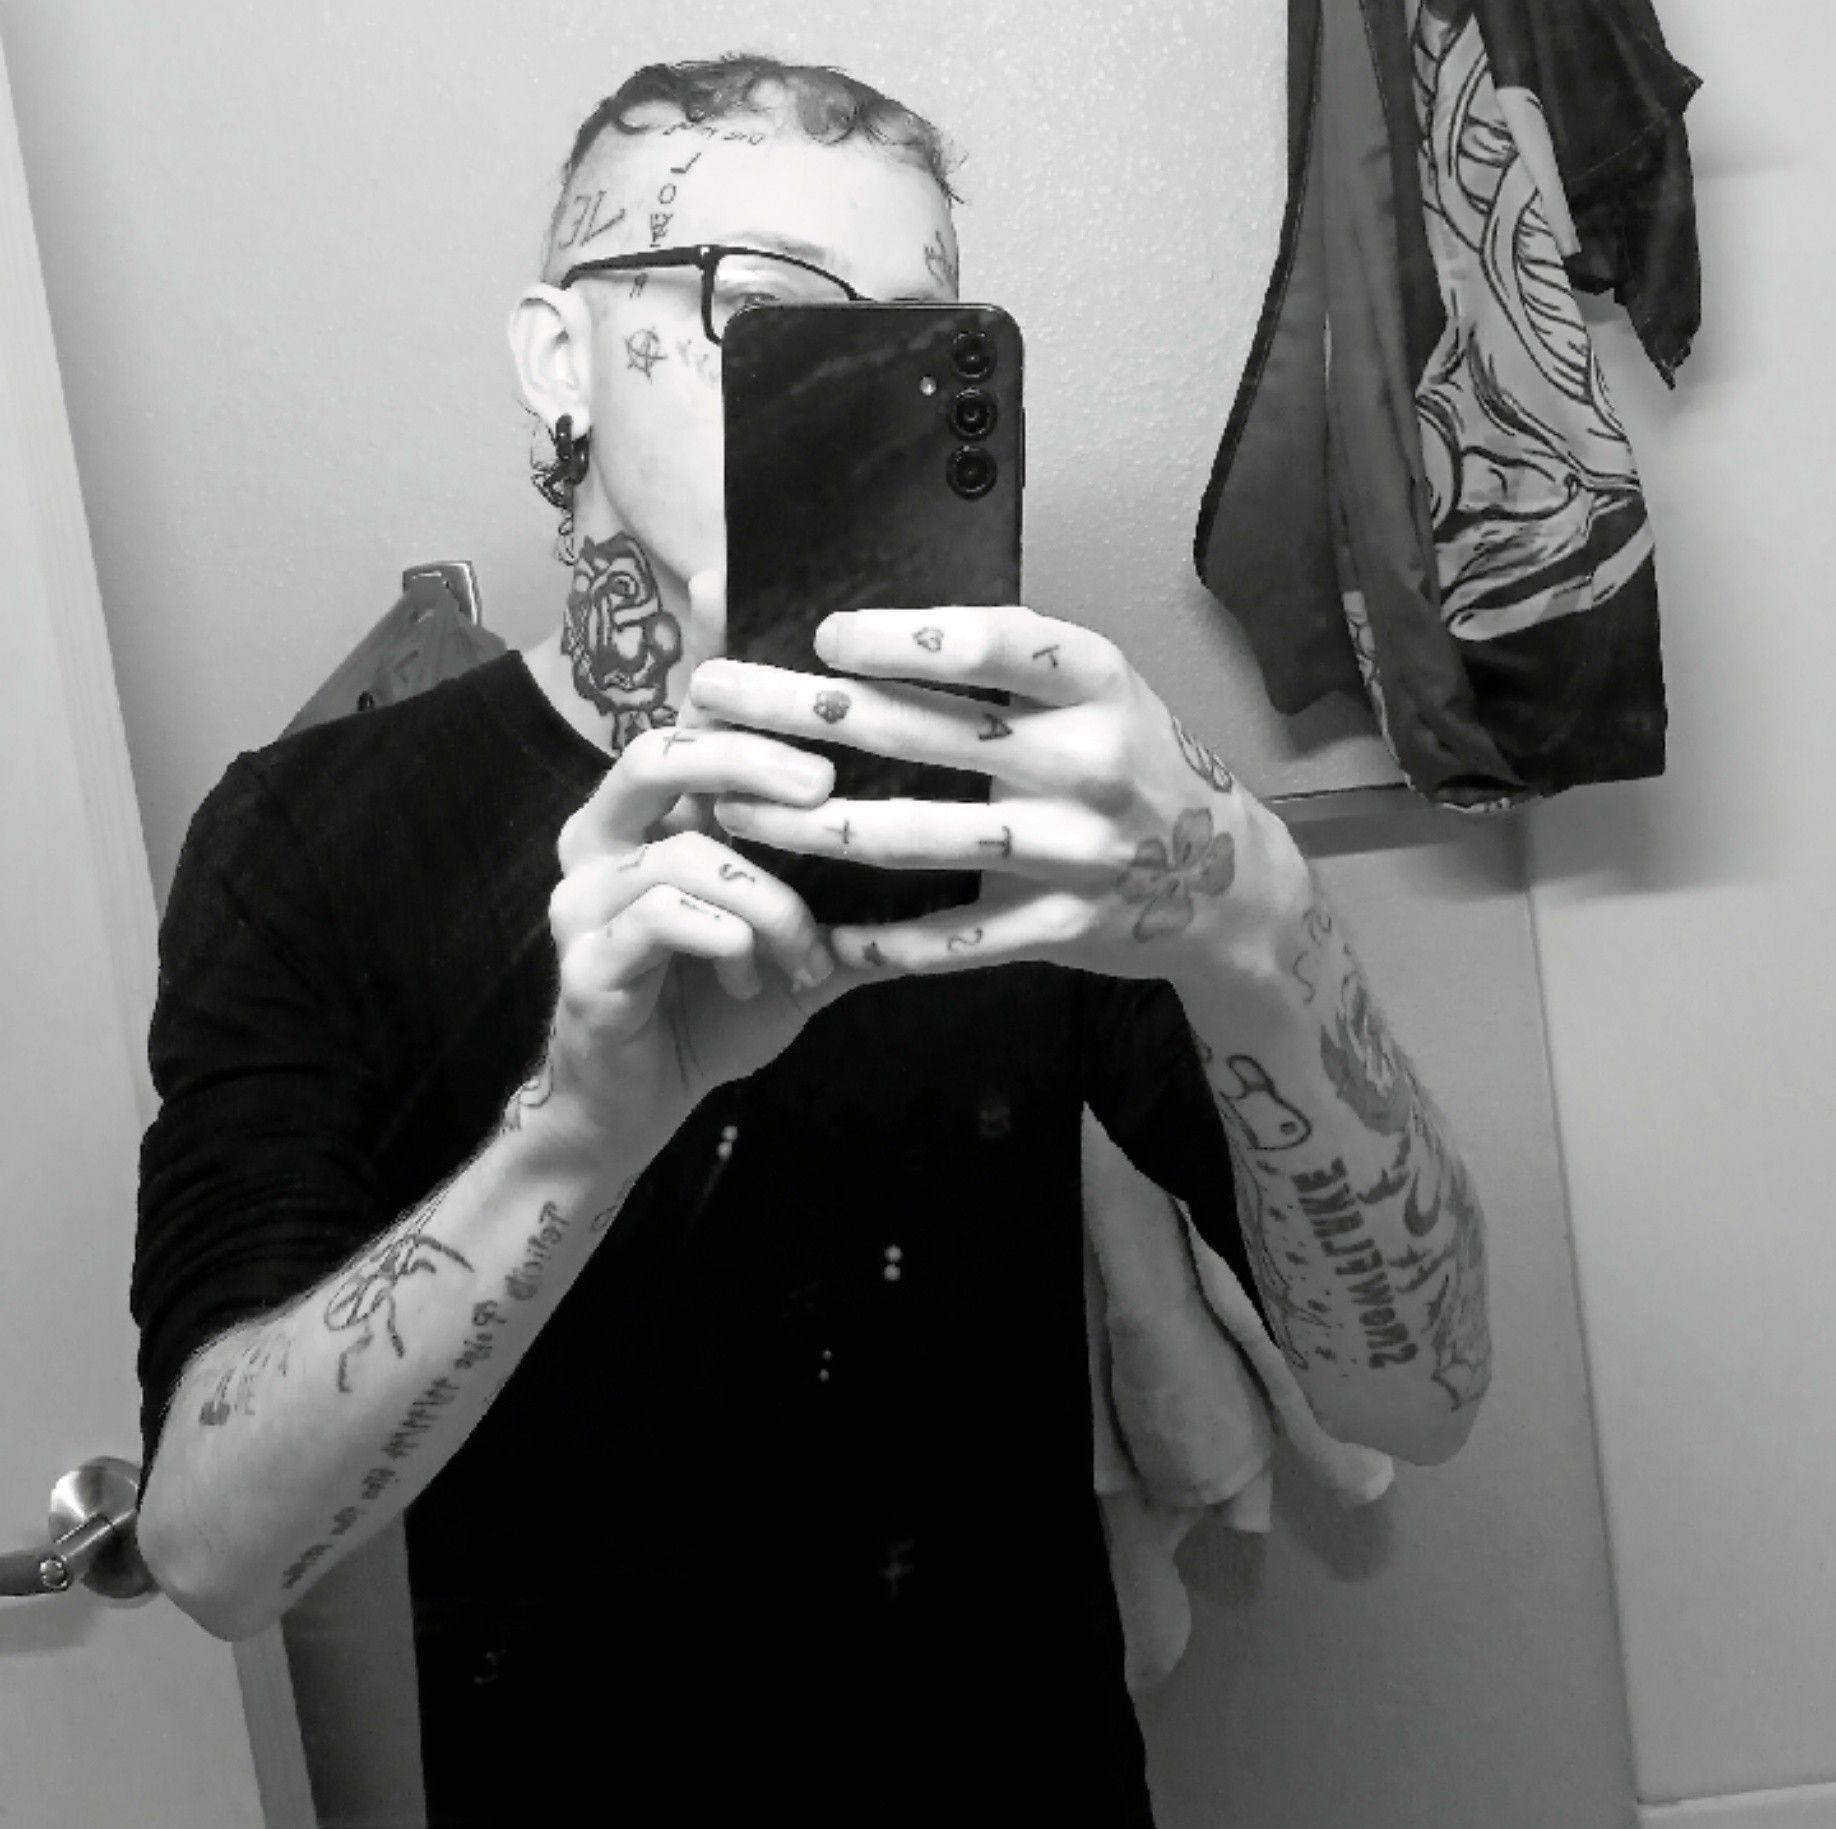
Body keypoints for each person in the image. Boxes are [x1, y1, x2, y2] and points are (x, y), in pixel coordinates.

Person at [131, 54, 1492, 1827]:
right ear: (558, 360)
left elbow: (1424, 1393)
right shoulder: (316, 834)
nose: (849, 387)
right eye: (766, 312)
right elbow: (213, 1555)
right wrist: (577, 1136)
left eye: (912, 334)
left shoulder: (1054, 794)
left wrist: (1258, 916)